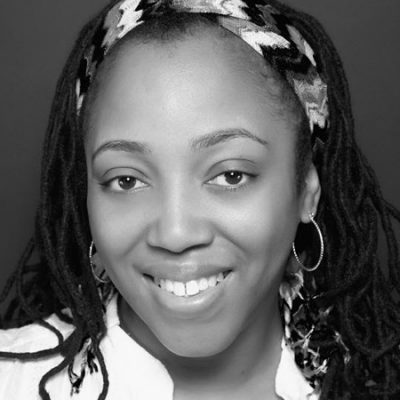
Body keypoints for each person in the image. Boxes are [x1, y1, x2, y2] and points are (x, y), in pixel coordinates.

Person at [0, 0, 399, 399]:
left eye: (230, 175)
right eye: (126, 180)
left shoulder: (373, 383)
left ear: (306, 192)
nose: (175, 234)